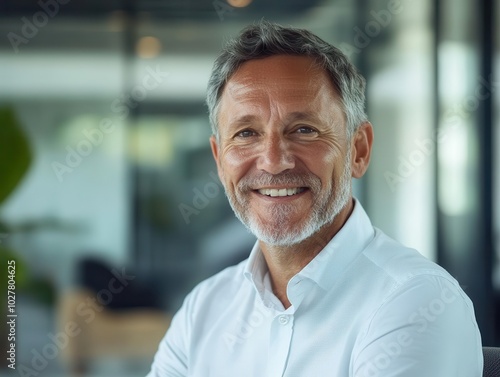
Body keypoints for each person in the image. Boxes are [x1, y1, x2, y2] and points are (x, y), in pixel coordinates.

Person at [146, 21, 482, 376]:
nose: (274, 161)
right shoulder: (204, 308)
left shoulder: (417, 300)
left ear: (358, 149)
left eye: (304, 130)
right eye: (246, 133)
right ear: (219, 159)